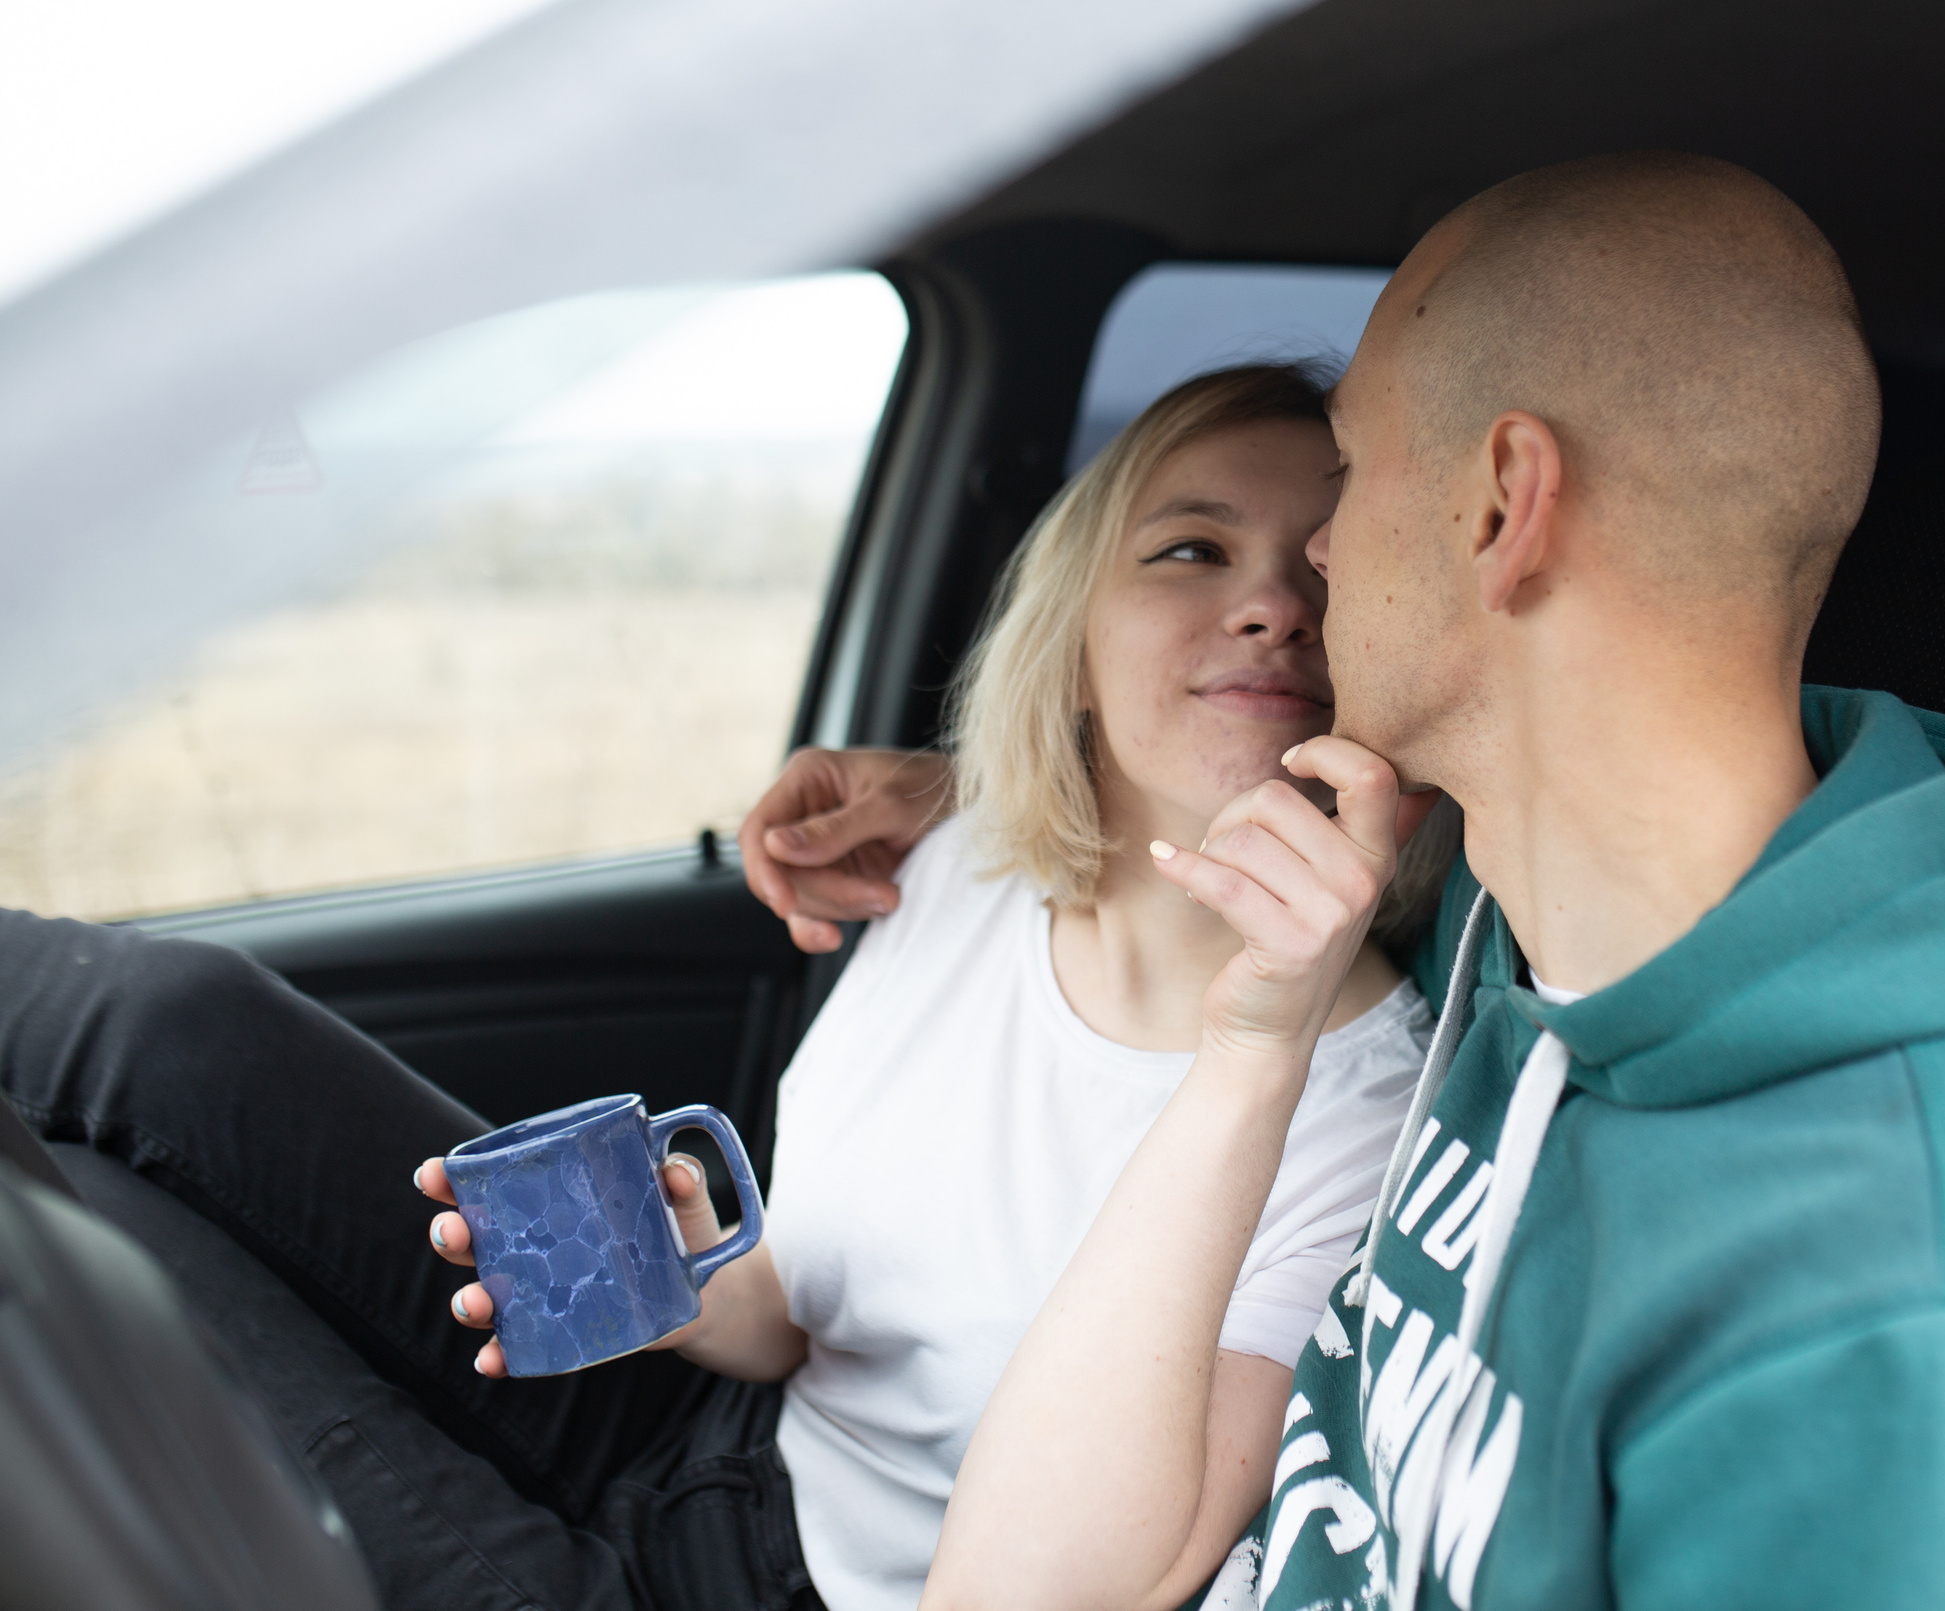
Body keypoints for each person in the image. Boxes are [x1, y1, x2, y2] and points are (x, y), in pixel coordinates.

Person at [755, 154, 1945, 1611]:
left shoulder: (1933, 1325)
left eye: (1349, 466)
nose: (1311, 571)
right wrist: (969, 788)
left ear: (1503, 507)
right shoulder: (1529, 941)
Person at [0, 361, 1453, 1611]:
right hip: (712, 1431)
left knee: (106, 1285)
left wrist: (1255, 1027)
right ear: (1074, 639)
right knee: (159, 1046)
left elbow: (1129, 1573)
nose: (1269, 604)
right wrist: (690, 1271)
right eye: (1191, 550)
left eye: (1322, 564)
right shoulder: (956, 869)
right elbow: (789, 1320)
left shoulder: (1365, 1103)